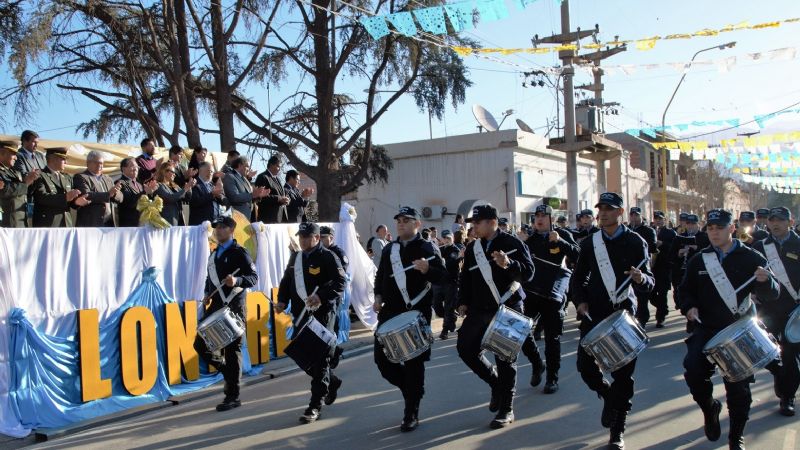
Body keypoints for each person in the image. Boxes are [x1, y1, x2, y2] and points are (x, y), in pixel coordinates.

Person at [679, 208, 778, 450]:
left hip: (738, 329)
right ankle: (709, 407)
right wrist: (689, 307)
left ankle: (736, 437)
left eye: (719, 228)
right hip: (706, 329)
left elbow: (773, 293)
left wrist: (767, 281)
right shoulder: (700, 259)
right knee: (693, 371)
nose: (714, 233)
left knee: (738, 390)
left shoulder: (752, 257)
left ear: (732, 228)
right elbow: (684, 291)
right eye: (710, 229)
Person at [570, 192, 654, 450]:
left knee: (623, 377)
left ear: (620, 212)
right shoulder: (590, 243)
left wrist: (641, 279)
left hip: (622, 315)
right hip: (594, 313)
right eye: (601, 208)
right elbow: (578, 277)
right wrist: (579, 300)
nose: (604, 212)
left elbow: (650, 282)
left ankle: (617, 431)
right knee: (585, 367)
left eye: (610, 208)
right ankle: (606, 395)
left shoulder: (635, 242)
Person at [457, 204, 534, 429]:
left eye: (477, 223)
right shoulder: (472, 249)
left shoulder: (512, 243)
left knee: (505, 357)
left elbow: (529, 273)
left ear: (492, 222)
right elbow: (466, 279)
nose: (474, 228)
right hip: (479, 309)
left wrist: (509, 264)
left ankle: (506, 408)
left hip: (507, 306)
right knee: (465, 349)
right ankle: (496, 384)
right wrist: (462, 301)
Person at [373, 207, 445, 432]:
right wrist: (378, 296)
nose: (401, 224)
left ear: (418, 224)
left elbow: (444, 276)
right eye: (399, 221)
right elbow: (381, 276)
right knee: (382, 361)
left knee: (414, 364)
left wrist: (427, 269)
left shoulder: (427, 247)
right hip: (390, 312)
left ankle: (411, 411)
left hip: (416, 312)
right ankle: (412, 391)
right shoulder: (389, 249)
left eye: (406, 220)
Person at [277, 222, 346, 424]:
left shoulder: (328, 257)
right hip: (301, 315)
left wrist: (322, 297)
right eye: (301, 237)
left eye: (307, 237)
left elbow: (340, 282)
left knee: (320, 358)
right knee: (304, 357)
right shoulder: (296, 257)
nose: (303, 240)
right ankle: (331, 382)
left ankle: (315, 405)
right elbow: (286, 281)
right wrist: (282, 300)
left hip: (322, 314)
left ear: (316, 238)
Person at [193, 216, 258, 412]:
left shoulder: (240, 252)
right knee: (200, 345)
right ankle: (228, 374)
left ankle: (233, 396)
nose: (218, 231)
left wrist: (236, 281)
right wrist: (206, 294)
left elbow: (253, 277)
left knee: (232, 351)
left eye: (222, 227)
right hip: (216, 306)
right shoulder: (214, 255)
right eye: (216, 228)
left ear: (231, 230)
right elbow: (209, 279)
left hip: (234, 307)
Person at [521, 204, 579, 394]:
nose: (539, 219)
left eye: (543, 216)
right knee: (520, 330)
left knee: (552, 339)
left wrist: (561, 242)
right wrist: (520, 243)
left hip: (553, 295)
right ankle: (537, 363)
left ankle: (552, 378)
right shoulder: (530, 239)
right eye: (536, 216)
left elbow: (578, 254)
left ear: (551, 219)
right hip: (531, 293)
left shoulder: (562, 234)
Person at [752, 206, 799, 417]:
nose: (775, 223)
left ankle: (787, 396)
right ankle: (783, 378)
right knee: (766, 352)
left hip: (794, 309)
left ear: (791, 221)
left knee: (789, 354)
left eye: (781, 220)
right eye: (772, 220)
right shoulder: (760, 246)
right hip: (767, 308)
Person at [31, 148, 91, 227]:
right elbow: (41, 197)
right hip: (48, 224)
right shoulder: (40, 175)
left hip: (66, 223)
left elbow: (70, 202)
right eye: (63, 159)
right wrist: (65, 197)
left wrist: (77, 202)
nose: (66, 162)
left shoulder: (67, 177)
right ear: (53, 159)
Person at [668, 214, 709, 320]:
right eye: (688, 224)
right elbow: (670, 256)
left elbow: (709, 254)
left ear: (698, 224)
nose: (691, 226)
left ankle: (693, 320)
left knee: (696, 297)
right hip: (681, 272)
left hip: (698, 273)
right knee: (681, 297)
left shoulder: (704, 237)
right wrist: (679, 254)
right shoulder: (679, 237)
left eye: (693, 224)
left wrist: (697, 248)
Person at [72, 151, 123, 227]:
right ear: (88, 163)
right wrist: (109, 194)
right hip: (91, 223)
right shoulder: (80, 177)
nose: (100, 165)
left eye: (102, 163)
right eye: (97, 163)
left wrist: (115, 193)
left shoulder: (108, 178)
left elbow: (121, 198)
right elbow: (87, 195)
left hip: (109, 223)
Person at [628, 207, 658, 327]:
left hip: (642, 266)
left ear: (641, 216)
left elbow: (653, 248)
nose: (634, 217)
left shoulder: (648, 230)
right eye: (632, 215)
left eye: (637, 215)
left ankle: (643, 320)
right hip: (629, 267)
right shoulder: (627, 230)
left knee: (642, 296)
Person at [0, 140, 39, 227]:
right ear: (2, 153)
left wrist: (32, 180)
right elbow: (5, 191)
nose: (16, 158)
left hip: (20, 221)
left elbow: (23, 192)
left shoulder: (14, 172)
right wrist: (25, 183)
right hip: (6, 223)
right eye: (13, 154)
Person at [433, 229, 463, 340]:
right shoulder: (439, 249)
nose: (446, 240)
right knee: (436, 306)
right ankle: (452, 317)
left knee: (448, 307)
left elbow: (452, 262)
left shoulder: (455, 249)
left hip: (451, 282)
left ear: (452, 238)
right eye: (445, 238)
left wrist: (444, 261)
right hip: (439, 282)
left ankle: (444, 330)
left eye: (448, 238)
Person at [13, 130, 46, 226]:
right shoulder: (17, 156)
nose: (36, 145)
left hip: (41, 196)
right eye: (34, 142)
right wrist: (35, 175)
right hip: (28, 197)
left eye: (37, 143)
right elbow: (22, 175)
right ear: (24, 141)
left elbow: (46, 173)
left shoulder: (40, 156)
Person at [223, 156, 268, 221]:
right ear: (240, 165)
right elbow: (234, 197)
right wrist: (253, 195)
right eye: (247, 166)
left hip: (247, 217)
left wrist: (258, 196)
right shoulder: (230, 176)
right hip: (236, 218)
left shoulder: (245, 179)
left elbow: (249, 198)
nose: (249, 169)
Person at [116, 158, 156, 227]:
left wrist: (151, 192)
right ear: (124, 169)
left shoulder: (139, 184)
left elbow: (145, 200)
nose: (136, 169)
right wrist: (145, 192)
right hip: (129, 224)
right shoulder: (120, 183)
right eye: (133, 166)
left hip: (143, 223)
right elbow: (129, 203)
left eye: (137, 167)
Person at [651, 211, 678, 311]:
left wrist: (662, 243)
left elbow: (675, 247)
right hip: (652, 267)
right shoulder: (651, 231)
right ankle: (663, 308)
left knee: (662, 292)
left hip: (665, 266)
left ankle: (660, 317)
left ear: (664, 220)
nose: (658, 221)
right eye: (656, 218)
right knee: (651, 293)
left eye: (660, 219)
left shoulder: (671, 232)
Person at [255, 156, 290, 223]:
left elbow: (282, 194)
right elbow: (260, 197)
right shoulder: (262, 177)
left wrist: (286, 199)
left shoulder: (278, 179)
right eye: (278, 166)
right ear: (271, 165)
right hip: (268, 218)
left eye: (280, 167)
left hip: (280, 218)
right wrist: (278, 198)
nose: (279, 169)